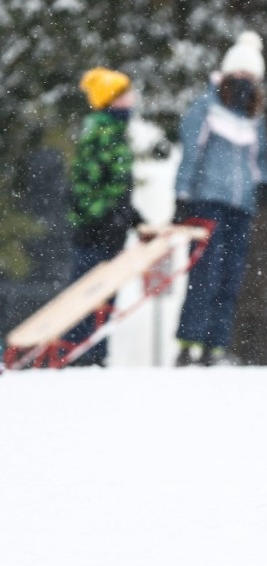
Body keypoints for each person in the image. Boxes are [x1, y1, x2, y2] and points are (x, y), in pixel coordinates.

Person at [173, 31, 267, 367]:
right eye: (239, 74)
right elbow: (192, 152)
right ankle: (189, 343)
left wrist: (264, 184)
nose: (243, 81)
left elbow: (257, 161)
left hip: (240, 206)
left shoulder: (253, 118)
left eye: (250, 76)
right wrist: (183, 195)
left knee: (230, 278)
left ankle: (215, 347)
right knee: (205, 275)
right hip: (207, 202)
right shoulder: (206, 108)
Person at [64, 67, 144, 366]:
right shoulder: (101, 131)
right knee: (88, 293)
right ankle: (80, 353)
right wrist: (107, 216)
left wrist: (134, 218)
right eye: (125, 94)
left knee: (104, 296)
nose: (132, 99)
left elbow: (118, 186)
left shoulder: (112, 131)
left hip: (110, 227)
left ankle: (94, 352)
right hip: (96, 229)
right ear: (112, 100)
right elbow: (92, 187)